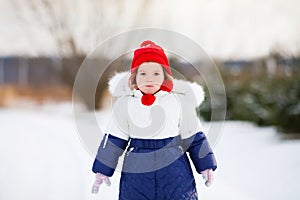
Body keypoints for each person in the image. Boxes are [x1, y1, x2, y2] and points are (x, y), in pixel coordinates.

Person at [91, 40, 217, 200]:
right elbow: (114, 139)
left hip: (175, 171)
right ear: (134, 77)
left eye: (156, 73)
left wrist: (206, 165)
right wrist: (103, 169)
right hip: (137, 173)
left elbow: (195, 138)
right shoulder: (125, 104)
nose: (149, 79)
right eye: (143, 73)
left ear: (165, 76)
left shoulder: (178, 102)